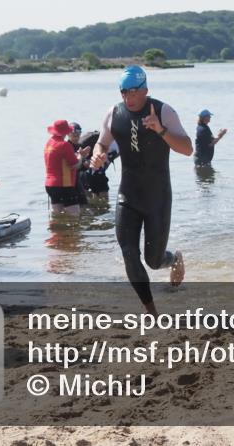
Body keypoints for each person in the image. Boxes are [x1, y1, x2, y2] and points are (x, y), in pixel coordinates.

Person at [90, 66, 192, 312]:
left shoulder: (164, 111)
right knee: (129, 252)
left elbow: (188, 149)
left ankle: (173, 259)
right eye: (124, 91)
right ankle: (152, 312)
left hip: (157, 197)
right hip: (128, 195)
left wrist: (160, 130)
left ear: (145, 90)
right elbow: (101, 143)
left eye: (134, 91)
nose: (128, 97)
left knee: (153, 260)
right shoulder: (114, 114)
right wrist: (98, 156)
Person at [44, 119, 90, 217]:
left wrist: (77, 155)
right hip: (64, 185)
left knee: (57, 216)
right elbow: (75, 165)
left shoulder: (49, 143)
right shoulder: (64, 145)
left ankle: (57, 231)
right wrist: (81, 156)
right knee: (74, 217)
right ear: (66, 132)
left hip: (50, 185)